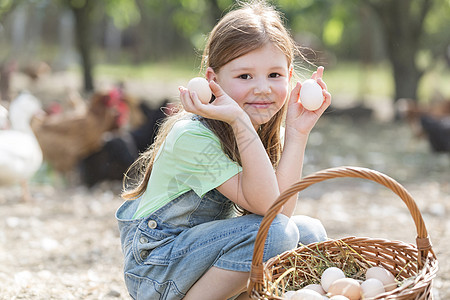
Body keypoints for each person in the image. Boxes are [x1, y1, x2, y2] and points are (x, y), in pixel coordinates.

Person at [116, 1, 331, 299]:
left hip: (200, 261)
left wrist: (297, 133)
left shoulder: (257, 130)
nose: (263, 88)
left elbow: (279, 210)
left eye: (274, 75)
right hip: (157, 271)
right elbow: (271, 216)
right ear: (213, 80)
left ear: (290, 74)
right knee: (278, 234)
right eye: (245, 76)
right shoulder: (192, 136)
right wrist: (240, 121)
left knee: (310, 234)